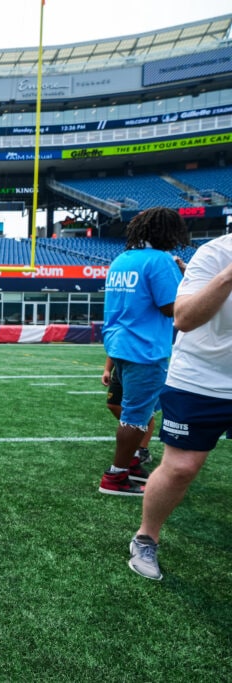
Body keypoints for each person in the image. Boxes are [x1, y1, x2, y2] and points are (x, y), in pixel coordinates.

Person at [128, 232, 232, 580]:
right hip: (201, 379)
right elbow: (183, 318)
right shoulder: (215, 253)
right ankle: (146, 537)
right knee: (182, 468)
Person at [98, 207, 188, 496]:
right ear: (166, 233)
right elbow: (170, 308)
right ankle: (115, 477)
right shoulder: (160, 260)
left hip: (121, 345)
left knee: (135, 412)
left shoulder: (121, 259)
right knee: (135, 418)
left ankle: (133, 463)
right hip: (145, 348)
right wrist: (190, 281)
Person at [102, 355, 155, 479]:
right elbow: (114, 345)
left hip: (141, 365)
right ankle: (132, 448)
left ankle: (142, 450)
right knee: (113, 404)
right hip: (121, 365)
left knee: (142, 411)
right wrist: (107, 370)